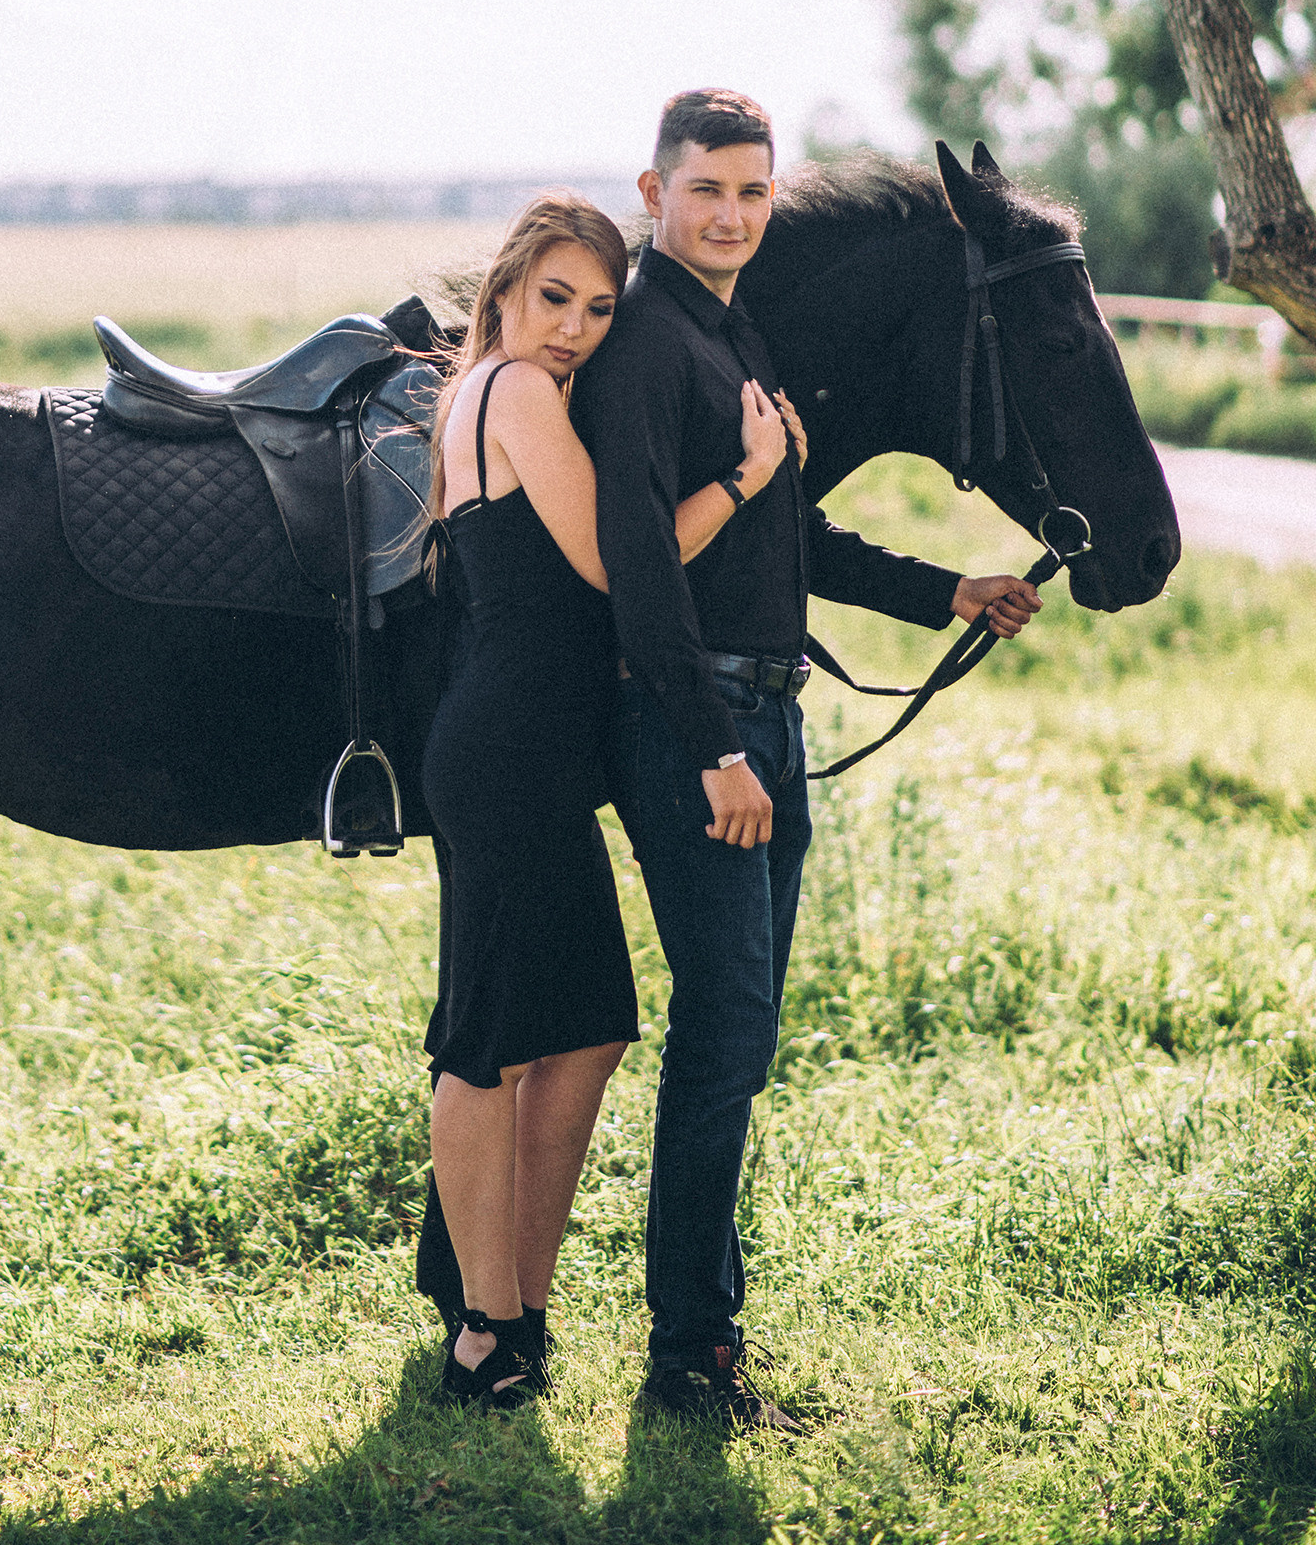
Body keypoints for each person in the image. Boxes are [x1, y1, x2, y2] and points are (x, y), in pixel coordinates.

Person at [574, 88, 1041, 1431]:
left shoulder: (736, 337)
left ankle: (702, 1336)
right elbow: (642, 574)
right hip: (704, 730)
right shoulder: (652, 350)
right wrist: (716, 749)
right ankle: (686, 1362)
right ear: (654, 195)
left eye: (752, 191)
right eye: (707, 188)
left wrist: (946, 588)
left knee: (745, 1035)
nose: (731, 211)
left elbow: (789, 541)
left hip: (764, 717)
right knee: (724, 1037)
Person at [422, 192, 807, 1410]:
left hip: (537, 753)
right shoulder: (515, 392)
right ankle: (483, 1331)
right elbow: (611, 561)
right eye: (555, 301)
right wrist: (747, 478)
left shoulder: (497, 388)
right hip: (504, 751)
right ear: (503, 293)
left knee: (585, 1028)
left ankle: (520, 1307)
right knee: (484, 1040)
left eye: (597, 309)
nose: (576, 330)